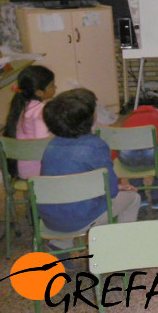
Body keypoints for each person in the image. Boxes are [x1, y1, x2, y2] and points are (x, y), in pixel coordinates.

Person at [40, 88, 140, 248]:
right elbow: (111, 192)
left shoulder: (51, 145)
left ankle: (61, 244)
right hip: (81, 218)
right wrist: (116, 187)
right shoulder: (95, 146)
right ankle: (123, 250)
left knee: (71, 201)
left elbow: (65, 181)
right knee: (133, 198)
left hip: (51, 219)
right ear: (91, 117)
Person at [4, 65, 56, 179]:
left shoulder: (22, 105)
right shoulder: (40, 111)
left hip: (23, 169)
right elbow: (43, 145)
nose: (55, 88)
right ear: (39, 92)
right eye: (52, 86)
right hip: (38, 171)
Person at [117, 105, 158, 209]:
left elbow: (117, 144)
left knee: (134, 163)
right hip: (151, 155)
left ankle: (140, 196)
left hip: (128, 157)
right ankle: (157, 197)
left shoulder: (128, 121)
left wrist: (117, 180)